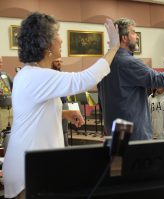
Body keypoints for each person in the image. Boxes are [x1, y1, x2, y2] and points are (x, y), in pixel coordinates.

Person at [3, 12, 120, 199]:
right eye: (57, 34)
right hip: (28, 171)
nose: (61, 40)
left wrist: (63, 113)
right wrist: (114, 48)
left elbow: (35, 114)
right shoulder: (36, 76)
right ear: (46, 43)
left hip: (34, 166)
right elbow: (84, 79)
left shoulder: (33, 74)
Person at [97, 17, 164, 140]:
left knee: (119, 159)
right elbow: (162, 81)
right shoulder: (128, 62)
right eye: (133, 32)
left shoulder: (104, 63)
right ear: (124, 38)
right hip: (134, 133)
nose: (137, 36)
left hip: (115, 131)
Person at [0, 56, 13, 131]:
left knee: (12, 132)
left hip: (10, 109)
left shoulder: (5, 75)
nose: (1, 64)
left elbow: (15, 86)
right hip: (1, 110)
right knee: (2, 133)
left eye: (1, 62)